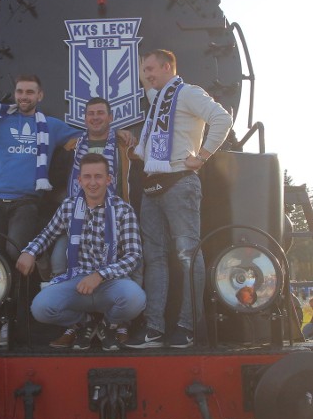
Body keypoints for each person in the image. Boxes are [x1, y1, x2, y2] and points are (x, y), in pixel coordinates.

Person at [125, 49, 232, 349]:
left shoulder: (188, 93)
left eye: (150, 69)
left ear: (169, 66)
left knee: (187, 256)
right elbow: (148, 87)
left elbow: (222, 119)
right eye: (143, 70)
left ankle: (187, 327)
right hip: (152, 187)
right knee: (155, 260)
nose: (146, 75)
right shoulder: (158, 99)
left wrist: (203, 156)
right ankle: (154, 329)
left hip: (180, 183)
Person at [17, 153, 145, 351]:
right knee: (40, 308)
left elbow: (133, 256)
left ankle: (107, 325)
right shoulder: (68, 206)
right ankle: (85, 323)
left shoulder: (123, 210)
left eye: (98, 176)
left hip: (110, 283)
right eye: (87, 176)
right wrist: (29, 252)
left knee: (136, 299)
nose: (92, 182)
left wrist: (100, 275)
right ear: (79, 180)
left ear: (108, 179)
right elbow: (48, 234)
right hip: (77, 281)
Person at [0, 75, 81, 261]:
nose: (24, 96)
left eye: (30, 92)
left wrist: (116, 133)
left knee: (15, 252)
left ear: (40, 95)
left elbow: (87, 137)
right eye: (20, 91)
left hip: (25, 201)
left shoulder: (51, 126)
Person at [49, 97, 136, 348]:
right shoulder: (73, 144)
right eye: (91, 114)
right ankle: (76, 323)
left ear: (110, 117)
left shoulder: (122, 141)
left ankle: (118, 322)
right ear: (84, 119)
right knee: (57, 258)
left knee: (126, 262)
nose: (95, 118)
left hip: (111, 217)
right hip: (78, 217)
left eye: (100, 113)